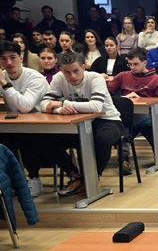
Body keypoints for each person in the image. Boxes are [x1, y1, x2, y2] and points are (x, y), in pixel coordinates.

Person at [39, 50, 126, 196]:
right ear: (61, 70)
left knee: (102, 138)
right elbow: (43, 104)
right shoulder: (58, 78)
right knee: (46, 139)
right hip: (78, 122)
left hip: (107, 120)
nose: (72, 76)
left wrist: (62, 103)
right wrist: (59, 110)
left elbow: (95, 107)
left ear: (84, 67)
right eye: (67, 72)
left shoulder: (95, 78)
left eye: (76, 71)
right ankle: (75, 176)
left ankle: (92, 178)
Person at [0, 41, 50, 196]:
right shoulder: (2, 75)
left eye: (12, 57)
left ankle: (34, 179)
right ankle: (13, 180)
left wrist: (4, 83)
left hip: (42, 125)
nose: (9, 62)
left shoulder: (35, 78)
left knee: (27, 138)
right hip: (14, 124)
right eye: (3, 58)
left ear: (21, 57)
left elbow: (26, 106)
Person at [107, 50, 158, 163]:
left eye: (136, 64)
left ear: (145, 63)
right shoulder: (123, 76)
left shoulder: (156, 79)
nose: (132, 67)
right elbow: (107, 93)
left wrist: (141, 99)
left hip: (146, 113)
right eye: (130, 64)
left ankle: (123, 157)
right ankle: (120, 156)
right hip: (125, 112)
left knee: (125, 124)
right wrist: (124, 99)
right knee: (121, 120)